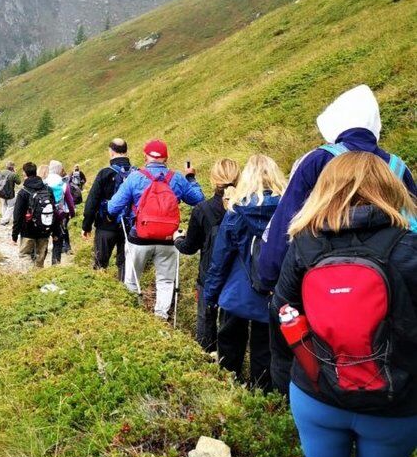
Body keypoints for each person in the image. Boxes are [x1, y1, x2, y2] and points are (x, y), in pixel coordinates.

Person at [273, 152, 417, 457]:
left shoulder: (305, 244)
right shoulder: (408, 247)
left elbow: (282, 309)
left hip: (318, 392)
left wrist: (303, 364)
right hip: (396, 401)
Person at [257, 84, 417, 392]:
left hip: (320, 285)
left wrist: (268, 279)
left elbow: (285, 226)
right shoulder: (397, 166)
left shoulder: (317, 161)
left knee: (316, 364)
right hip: (389, 288)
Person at [203, 155, 287, 390]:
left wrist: (211, 295)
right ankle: (262, 396)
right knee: (266, 350)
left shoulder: (236, 212)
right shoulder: (290, 212)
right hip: (273, 293)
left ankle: (229, 390)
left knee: (229, 346)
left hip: (237, 292)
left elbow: (219, 261)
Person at [107, 138, 204, 321]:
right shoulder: (176, 178)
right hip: (168, 239)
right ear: (166, 158)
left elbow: (113, 207)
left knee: (132, 280)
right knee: (166, 281)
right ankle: (160, 317)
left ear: (145, 156)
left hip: (140, 238)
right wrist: (191, 178)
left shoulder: (135, 177)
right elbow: (198, 199)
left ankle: (133, 317)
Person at [174, 157, 240, 353]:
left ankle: (206, 360)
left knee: (206, 318)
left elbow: (190, 247)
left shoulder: (202, 210)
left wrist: (177, 239)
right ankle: (229, 365)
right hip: (236, 276)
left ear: (213, 180)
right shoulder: (246, 206)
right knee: (231, 324)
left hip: (208, 275)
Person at [82, 139, 133, 278]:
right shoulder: (137, 174)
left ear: (111, 152)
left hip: (105, 226)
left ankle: (100, 291)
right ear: (126, 151)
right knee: (125, 263)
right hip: (129, 226)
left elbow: (92, 201)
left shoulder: (105, 173)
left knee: (100, 262)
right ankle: (125, 291)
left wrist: (86, 226)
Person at [11, 161, 56, 268]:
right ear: (35, 172)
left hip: (28, 231)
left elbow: (17, 215)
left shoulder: (23, 192)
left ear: (24, 173)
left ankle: (29, 280)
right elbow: (54, 211)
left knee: (25, 256)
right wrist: (55, 232)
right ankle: (38, 279)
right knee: (40, 257)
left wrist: (14, 235)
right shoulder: (47, 189)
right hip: (44, 229)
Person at [45, 160, 76, 265]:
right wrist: (72, 213)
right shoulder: (63, 183)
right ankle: (55, 263)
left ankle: (40, 264)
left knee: (44, 239)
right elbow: (70, 201)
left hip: (45, 215)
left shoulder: (44, 182)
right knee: (57, 240)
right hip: (59, 216)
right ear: (59, 170)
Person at [0, 161, 20, 226]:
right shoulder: (13, 174)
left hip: (0, 192)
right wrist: (15, 173)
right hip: (10, 193)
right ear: (13, 167)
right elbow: (18, 182)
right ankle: (4, 220)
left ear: (6, 166)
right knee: (11, 206)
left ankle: (5, 219)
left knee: (4, 205)